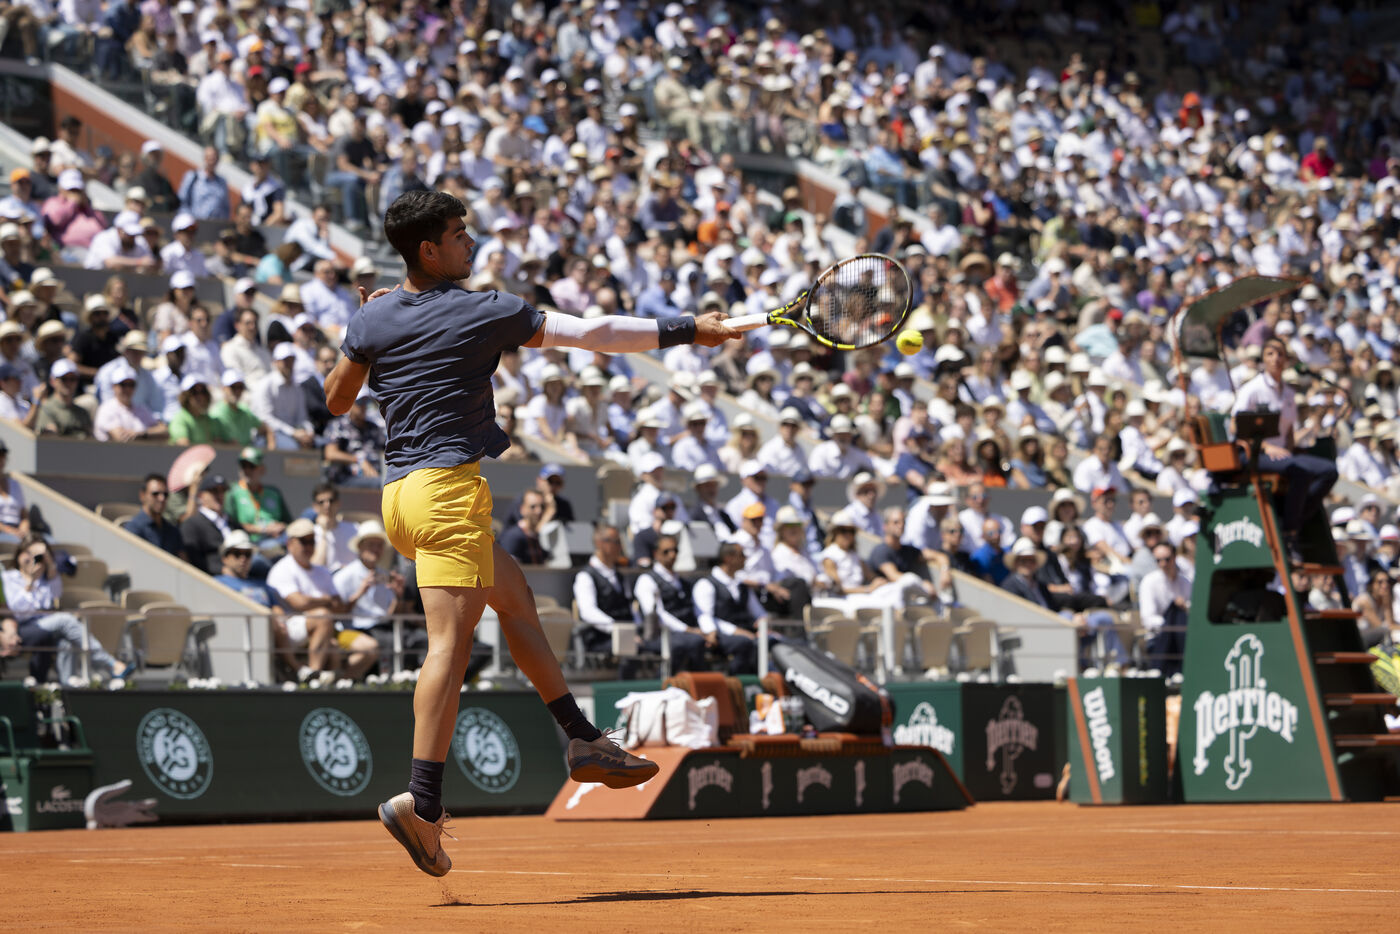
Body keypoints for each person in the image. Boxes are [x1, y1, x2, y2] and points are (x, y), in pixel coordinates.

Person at [323, 190, 738, 875]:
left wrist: (362, 328)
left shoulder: (375, 315)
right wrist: (689, 328)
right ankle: (422, 805)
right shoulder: (484, 309)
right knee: (449, 649)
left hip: (398, 499)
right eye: (458, 234)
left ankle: (582, 738)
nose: (470, 242)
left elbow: (338, 399)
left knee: (515, 601)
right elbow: (595, 333)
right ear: (428, 249)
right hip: (446, 493)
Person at [1231, 336, 1340, 559]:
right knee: (1299, 469)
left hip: (1283, 456)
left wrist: (1289, 449)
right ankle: (1290, 533)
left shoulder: (1289, 393)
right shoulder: (1253, 389)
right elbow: (1236, 426)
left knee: (1329, 471)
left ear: (1287, 360)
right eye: (1270, 354)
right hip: (1254, 455)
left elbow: (1288, 431)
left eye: (1280, 354)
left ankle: (1293, 518)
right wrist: (1266, 448)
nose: (1276, 359)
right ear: (1263, 359)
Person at [1, 535, 129, 682]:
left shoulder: (45, 578)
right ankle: (110, 663)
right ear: (19, 554)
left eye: (37, 556)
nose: (32, 559)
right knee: (66, 620)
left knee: (66, 642)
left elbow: (56, 594)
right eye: (28, 553)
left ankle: (68, 687)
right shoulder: (8, 577)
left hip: (47, 626)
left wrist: (49, 562)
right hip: (21, 628)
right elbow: (18, 610)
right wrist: (29, 582)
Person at [266, 517, 378, 681]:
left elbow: (339, 607)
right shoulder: (282, 569)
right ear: (290, 543)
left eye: (312, 541)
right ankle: (314, 674)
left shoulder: (322, 571)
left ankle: (339, 683)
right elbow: (299, 603)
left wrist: (324, 602)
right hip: (290, 630)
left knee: (370, 648)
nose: (309, 546)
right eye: (304, 541)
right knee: (323, 617)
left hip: (328, 628)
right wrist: (326, 600)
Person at [332, 521, 417, 671]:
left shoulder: (384, 574)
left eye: (379, 545)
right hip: (358, 629)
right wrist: (360, 592)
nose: (376, 549)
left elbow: (390, 613)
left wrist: (398, 596)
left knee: (417, 639)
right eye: (371, 545)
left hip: (383, 628)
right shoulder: (344, 576)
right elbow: (336, 613)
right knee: (390, 641)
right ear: (360, 547)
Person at [632, 532, 711, 672]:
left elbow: (698, 610)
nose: (672, 555)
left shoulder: (683, 582)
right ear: (656, 554)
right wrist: (688, 630)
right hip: (660, 635)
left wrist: (707, 630)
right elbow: (657, 614)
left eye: (675, 550)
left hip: (687, 633)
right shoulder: (647, 580)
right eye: (666, 551)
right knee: (693, 642)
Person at [691, 542, 766, 674]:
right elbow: (705, 617)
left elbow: (760, 614)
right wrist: (736, 631)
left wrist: (763, 627)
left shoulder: (742, 586)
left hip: (748, 634)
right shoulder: (706, 584)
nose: (745, 558)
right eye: (741, 554)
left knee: (771, 642)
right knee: (744, 643)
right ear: (728, 558)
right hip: (722, 636)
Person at [1139, 540, 1192, 677]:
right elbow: (1148, 618)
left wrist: (1184, 607)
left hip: (1183, 636)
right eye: (1158, 560)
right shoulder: (1149, 582)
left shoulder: (1185, 582)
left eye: (1167, 559)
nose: (1163, 564)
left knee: (1178, 614)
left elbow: (1193, 612)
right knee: (1174, 613)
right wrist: (1170, 621)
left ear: (1174, 558)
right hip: (1159, 637)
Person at [180, 473, 240, 576]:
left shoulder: (232, 522)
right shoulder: (192, 524)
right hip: (212, 579)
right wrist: (221, 569)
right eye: (214, 491)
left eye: (223, 491)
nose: (219, 495)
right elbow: (193, 558)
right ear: (201, 496)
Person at [123, 473, 184, 559]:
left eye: (165, 494)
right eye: (155, 494)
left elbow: (183, 561)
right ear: (142, 496)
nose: (162, 498)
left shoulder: (172, 530)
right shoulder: (133, 528)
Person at [35, 359, 93, 438]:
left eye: (72, 379)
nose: (68, 383)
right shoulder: (46, 409)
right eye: (63, 379)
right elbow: (50, 438)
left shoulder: (83, 412)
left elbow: (91, 438)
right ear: (52, 381)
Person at [498, 488, 549, 566]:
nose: (539, 511)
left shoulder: (541, 536)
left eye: (542, 507)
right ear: (522, 509)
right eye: (533, 507)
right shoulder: (513, 536)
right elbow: (509, 569)